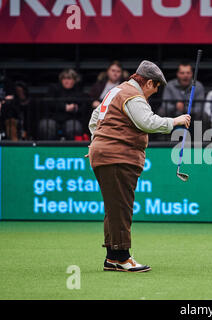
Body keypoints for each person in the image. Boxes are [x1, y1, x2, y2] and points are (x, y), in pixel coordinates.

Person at [88, 60, 191, 272]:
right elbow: (148, 122)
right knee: (122, 207)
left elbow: (94, 119)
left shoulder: (116, 91)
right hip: (118, 156)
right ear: (149, 82)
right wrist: (176, 121)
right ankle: (123, 257)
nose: (154, 92)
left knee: (114, 207)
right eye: (156, 87)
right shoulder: (133, 96)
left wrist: (98, 141)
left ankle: (113, 257)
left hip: (105, 154)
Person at [39, 69, 86, 140]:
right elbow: (49, 103)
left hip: (71, 119)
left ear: (74, 80)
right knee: (45, 125)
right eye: (64, 78)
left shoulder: (78, 91)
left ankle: (71, 149)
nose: (66, 81)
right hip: (53, 118)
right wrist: (65, 107)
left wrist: (75, 108)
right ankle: (48, 149)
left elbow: (83, 107)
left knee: (75, 127)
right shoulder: (54, 88)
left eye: (69, 78)